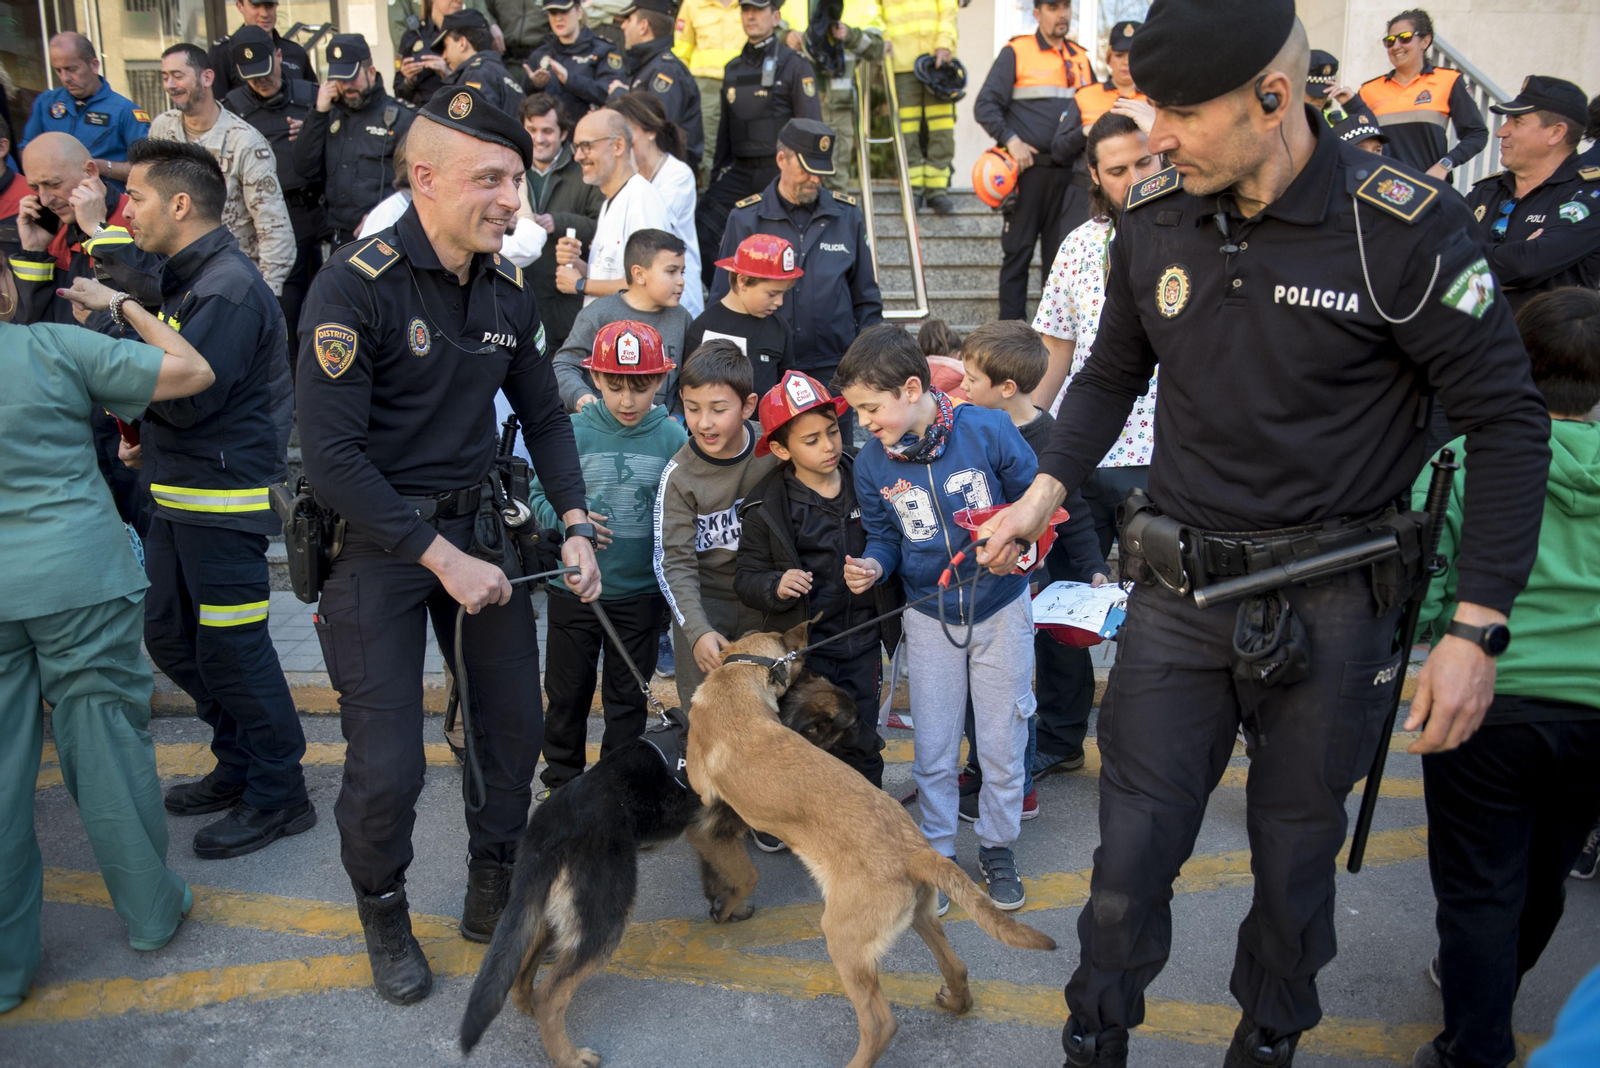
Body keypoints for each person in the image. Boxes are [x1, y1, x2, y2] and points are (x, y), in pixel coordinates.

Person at [971, 4, 1552, 1065]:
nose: (1155, 138)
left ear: (1273, 101)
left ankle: (1267, 1043)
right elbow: (1110, 370)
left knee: (1292, 870)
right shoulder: (1152, 210)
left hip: (1339, 608)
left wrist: (1476, 629)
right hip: (1179, 591)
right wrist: (1044, 492)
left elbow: (1507, 423)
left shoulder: (1403, 227)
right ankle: (1093, 1040)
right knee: (1126, 865)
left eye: (1182, 114)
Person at [296, 85, 600, 1004]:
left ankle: (493, 879)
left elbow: (545, 417)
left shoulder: (507, 288)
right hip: (381, 548)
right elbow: (333, 458)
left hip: (481, 532)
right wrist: (440, 557)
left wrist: (577, 523)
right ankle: (383, 906)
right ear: (425, 178)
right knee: (385, 762)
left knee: (511, 738)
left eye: (519, 177)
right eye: (493, 179)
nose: (515, 199)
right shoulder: (356, 286)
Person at [0, 285, 216, 1016]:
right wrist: (122, 303)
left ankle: (5, 971)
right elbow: (190, 369)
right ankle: (152, 913)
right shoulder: (50, 347)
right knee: (106, 752)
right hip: (79, 575)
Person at [1409, 286, 1600, 1068]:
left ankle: (1474, 1045)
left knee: (1479, 887)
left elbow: (1422, 589)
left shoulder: (1460, 460)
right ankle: (1491, 991)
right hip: (1593, 713)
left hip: (1483, 701)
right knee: (1547, 873)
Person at [105, 138, 309, 861]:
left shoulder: (223, 286)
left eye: (137, 198)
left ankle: (281, 795)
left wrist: (122, 312)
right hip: (176, 494)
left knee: (233, 648)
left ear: (181, 204)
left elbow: (189, 400)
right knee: (170, 635)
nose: (126, 210)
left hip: (219, 502)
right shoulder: (193, 277)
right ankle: (241, 764)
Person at [837, 324, 1038, 912]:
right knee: (933, 743)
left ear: (910, 388)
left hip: (1002, 607)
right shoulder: (872, 464)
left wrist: (1019, 546)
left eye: (872, 408)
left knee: (1001, 739)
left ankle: (998, 845)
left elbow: (1037, 504)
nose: (865, 423)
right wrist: (874, 567)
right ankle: (939, 852)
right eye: (858, 412)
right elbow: (884, 537)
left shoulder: (989, 428)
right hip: (927, 615)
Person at [955, 321, 1105, 804]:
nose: (963, 386)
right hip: (993, 576)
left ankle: (1040, 762)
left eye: (972, 380)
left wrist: (1092, 569)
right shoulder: (971, 423)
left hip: (1044, 580)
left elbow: (1075, 510)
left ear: (1007, 388)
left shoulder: (1048, 437)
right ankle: (986, 761)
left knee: (1040, 669)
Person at [534, 319, 685, 794]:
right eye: (614, 385)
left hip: (640, 594)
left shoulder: (673, 437)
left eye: (640, 387)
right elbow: (540, 495)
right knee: (566, 694)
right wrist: (567, 523)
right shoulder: (570, 430)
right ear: (594, 378)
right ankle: (561, 783)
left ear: (661, 380)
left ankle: (613, 791)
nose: (626, 400)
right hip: (572, 591)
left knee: (627, 699)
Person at [734, 369, 897, 807]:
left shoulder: (866, 478)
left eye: (832, 431)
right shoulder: (764, 507)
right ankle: (800, 817)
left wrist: (878, 568)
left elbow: (894, 540)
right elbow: (745, 577)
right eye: (811, 440)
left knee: (861, 734)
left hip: (863, 640)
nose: (828, 446)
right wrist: (776, 583)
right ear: (781, 448)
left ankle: (869, 814)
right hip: (807, 654)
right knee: (802, 740)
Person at [1032, 112, 1163, 558]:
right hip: (1086, 452)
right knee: (1076, 591)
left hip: (1159, 456)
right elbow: (1055, 345)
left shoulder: (1190, 236)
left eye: (1144, 163)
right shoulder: (1078, 244)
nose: (1134, 178)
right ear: (1094, 174)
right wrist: (1028, 427)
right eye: (1117, 171)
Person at [712, 118, 881, 441]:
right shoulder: (746, 218)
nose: (815, 178)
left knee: (835, 457)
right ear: (781, 159)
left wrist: (866, 363)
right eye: (806, 168)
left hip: (833, 369)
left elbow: (866, 300)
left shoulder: (847, 216)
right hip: (764, 370)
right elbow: (723, 300)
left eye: (821, 170)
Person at [654, 340, 775, 708]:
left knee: (770, 716)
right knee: (704, 717)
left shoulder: (773, 451)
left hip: (765, 598)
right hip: (706, 604)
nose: (703, 422)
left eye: (718, 409)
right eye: (692, 408)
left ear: (748, 406)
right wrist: (696, 631)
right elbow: (672, 562)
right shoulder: (679, 476)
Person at [974, 0, 1094, 321]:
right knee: (1018, 257)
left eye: (1067, 6)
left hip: (1071, 178)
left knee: (1061, 264)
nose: (1062, 14)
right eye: (1053, 7)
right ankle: (1011, 345)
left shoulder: (1081, 58)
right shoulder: (1017, 52)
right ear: (1037, 13)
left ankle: (1052, 343)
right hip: (1028, 174)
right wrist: (1012, 142)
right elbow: (985, 105)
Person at [149, 43, 296, 296]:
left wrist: (264, 296)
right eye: (165, 77)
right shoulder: (162, 129)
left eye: (178, 75)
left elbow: (274, 230)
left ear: (207, 77)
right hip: (173, 279)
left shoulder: (245, 142)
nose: (170, 85)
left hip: (229, 284)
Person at [223, 25, 326, 371]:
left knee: (326, 297)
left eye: (266, 71)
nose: (261, 81)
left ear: (280, 57)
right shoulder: (232, 108)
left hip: (317, 210)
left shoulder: (311, 95)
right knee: (288, 305)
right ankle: (296, 379)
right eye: (251, 77)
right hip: (271, 218)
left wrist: (314, 125)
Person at [695, 0, 821, 281]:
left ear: (775, 16)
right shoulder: (733, 68)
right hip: (741, 170)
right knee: (702, 224)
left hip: (780, 173)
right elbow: (726, 133)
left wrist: (805, 175)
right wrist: (716, 177)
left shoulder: (794, 65)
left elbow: (811, 127)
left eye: (758, 10)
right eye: (745, 10)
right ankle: (730, 296)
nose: (750, 16)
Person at [1464, 76, 1600, 311]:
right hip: (1472, 341)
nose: (1501, 132)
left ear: (1556, 133)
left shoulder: (1589, 194)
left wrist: (1464, 262)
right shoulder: (1487, 190)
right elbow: (1430, 254)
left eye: (1517, 121)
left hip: (1544, 345)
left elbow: (1526, 265)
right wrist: (1511, 263)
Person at [11, 133, 163, 325]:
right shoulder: (49, 231)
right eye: (35, 188)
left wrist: (98, 230)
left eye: (54, 184)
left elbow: (159, 294)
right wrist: (34, 252)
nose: (44, 199)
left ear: (90, 171)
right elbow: (32, 330)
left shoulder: (140, 220)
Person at [291, 34, 418, 248]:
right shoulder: (327, 115)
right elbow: (304, 168)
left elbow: (416, 184)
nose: (346, 86)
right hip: (340, 238)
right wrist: (318, 114)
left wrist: (381, 216)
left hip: (386, 233)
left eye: (351, 77)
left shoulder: (402, 118)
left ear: (370, 72)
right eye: (339, 79)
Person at [554, 227, 690, 409]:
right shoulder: (599, 313)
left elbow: (689, 379)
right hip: (601, 431)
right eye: (671, 271)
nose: (681, 281)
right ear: (639, 274)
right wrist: (581, 396)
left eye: (683, 272)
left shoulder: (683, 320)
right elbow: (564, 364)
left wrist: (678, 416)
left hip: (656, 433)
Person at [1355, 8, 1487, 183]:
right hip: (1381, 190)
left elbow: (1477, 133)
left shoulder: (1448, 80)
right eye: (1390, 41)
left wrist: (1444, 165)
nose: (1396, 46)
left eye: (1405, 38)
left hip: (1430, 190)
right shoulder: (1368, 90)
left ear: (1425, 41)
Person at [554, 107, 670, 302]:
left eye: (586, 146)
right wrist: (577, 266)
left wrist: (581, 284)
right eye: (576, 147)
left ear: (618, 145)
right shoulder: (612, 200)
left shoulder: (641, 199)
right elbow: (614, 276)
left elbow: (651, 282)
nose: (578, 156)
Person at [519, 92, 604, 353]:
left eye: (548, 130)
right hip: (519, 290)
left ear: (564, 134)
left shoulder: (585, 170)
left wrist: (558, 221)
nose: (539, 138)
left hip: (565, 300)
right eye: (531, 129)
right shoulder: (510, 167)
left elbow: (601, 225)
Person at [1049, 19, 1145, 229]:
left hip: (1143, 193)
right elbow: (1058, 150)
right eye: (1119, 55)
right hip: (1084, 196)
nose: (1126, 62)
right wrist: (1085, 132)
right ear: (1109, 58)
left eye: (1133, 53)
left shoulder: (1156, 99)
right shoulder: (1085, 95)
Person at [614, 89, 704, 315]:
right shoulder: (625, 177)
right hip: (641, 293)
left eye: (628, 132)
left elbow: (652, 232)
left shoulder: (678, 175)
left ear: (651, 132)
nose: (622, 142)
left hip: (679, 296)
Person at [782, 0, 884, 197]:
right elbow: (770, 30)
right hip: (798, 101)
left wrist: (850, 35)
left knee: (836, 178)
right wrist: (786, 36)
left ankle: (836, 225)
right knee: (796, 176)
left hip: (838, 104)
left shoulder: (862, 4)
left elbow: (878, 46)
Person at [21, 33, 150, 187]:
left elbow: (146, 170)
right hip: (56, 203)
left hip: (106, 204)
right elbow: (25, 150)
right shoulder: (46, 103)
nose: (65, 78)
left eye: (72, 69)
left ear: (94, 65)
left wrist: (101, 167)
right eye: (58, 70)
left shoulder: (125, 111)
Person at [689, 231, 798, 397]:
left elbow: (787, 385)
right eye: (772, 294)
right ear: (743, 281)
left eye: (784, 293)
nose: (779, 302)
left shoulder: (780, 328)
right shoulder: (705, 326)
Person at [608, 0, 704, 170]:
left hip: (665, 176)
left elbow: (656, 127)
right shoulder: (648, 65)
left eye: (628, 19)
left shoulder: (666, 70)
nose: (622, 26)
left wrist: (620, 98)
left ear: (643, 26)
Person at [672, 0, 745, 179]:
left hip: (744, 84)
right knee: (708, 147)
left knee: (746, 143)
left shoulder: (751, 4)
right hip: (706, 88)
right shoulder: (692, 4)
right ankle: (710, 194)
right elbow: (681, 53)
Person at [522, 0, 619, 127]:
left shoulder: (603, 50)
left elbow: (614, 95)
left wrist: (569, 79)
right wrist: (535, 85)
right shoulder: (539, 54)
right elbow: (523, 105)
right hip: (546, 138)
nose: (558, 18)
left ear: (579, 12)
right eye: (553, 13)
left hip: (587, 133)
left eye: (564, 11)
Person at [208, 0, 317, 95]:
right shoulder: (223, 53)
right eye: (256, 6)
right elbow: (216, 109)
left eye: (269, 6)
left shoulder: (296, 52)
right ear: (239, 6)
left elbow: (314, 98)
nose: (264, 14)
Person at [438, 8, 527, 113]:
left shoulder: (476, 74)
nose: (443, 56)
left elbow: (473, 124)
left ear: (462, 43)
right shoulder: (496, 71)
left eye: (445, 46)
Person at [395, 0, 466, 106]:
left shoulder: (470, 32)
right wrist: (409, 81)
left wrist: (449, 75)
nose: (458, 1)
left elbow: (480, 84)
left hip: (457, 113)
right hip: (421, 113)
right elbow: (399, 93)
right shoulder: (412, 35)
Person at [388, 0, 498, 55]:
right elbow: (398, 28)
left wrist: (491, 24)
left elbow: (479, 9)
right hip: (424, 50)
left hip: (463, 49)